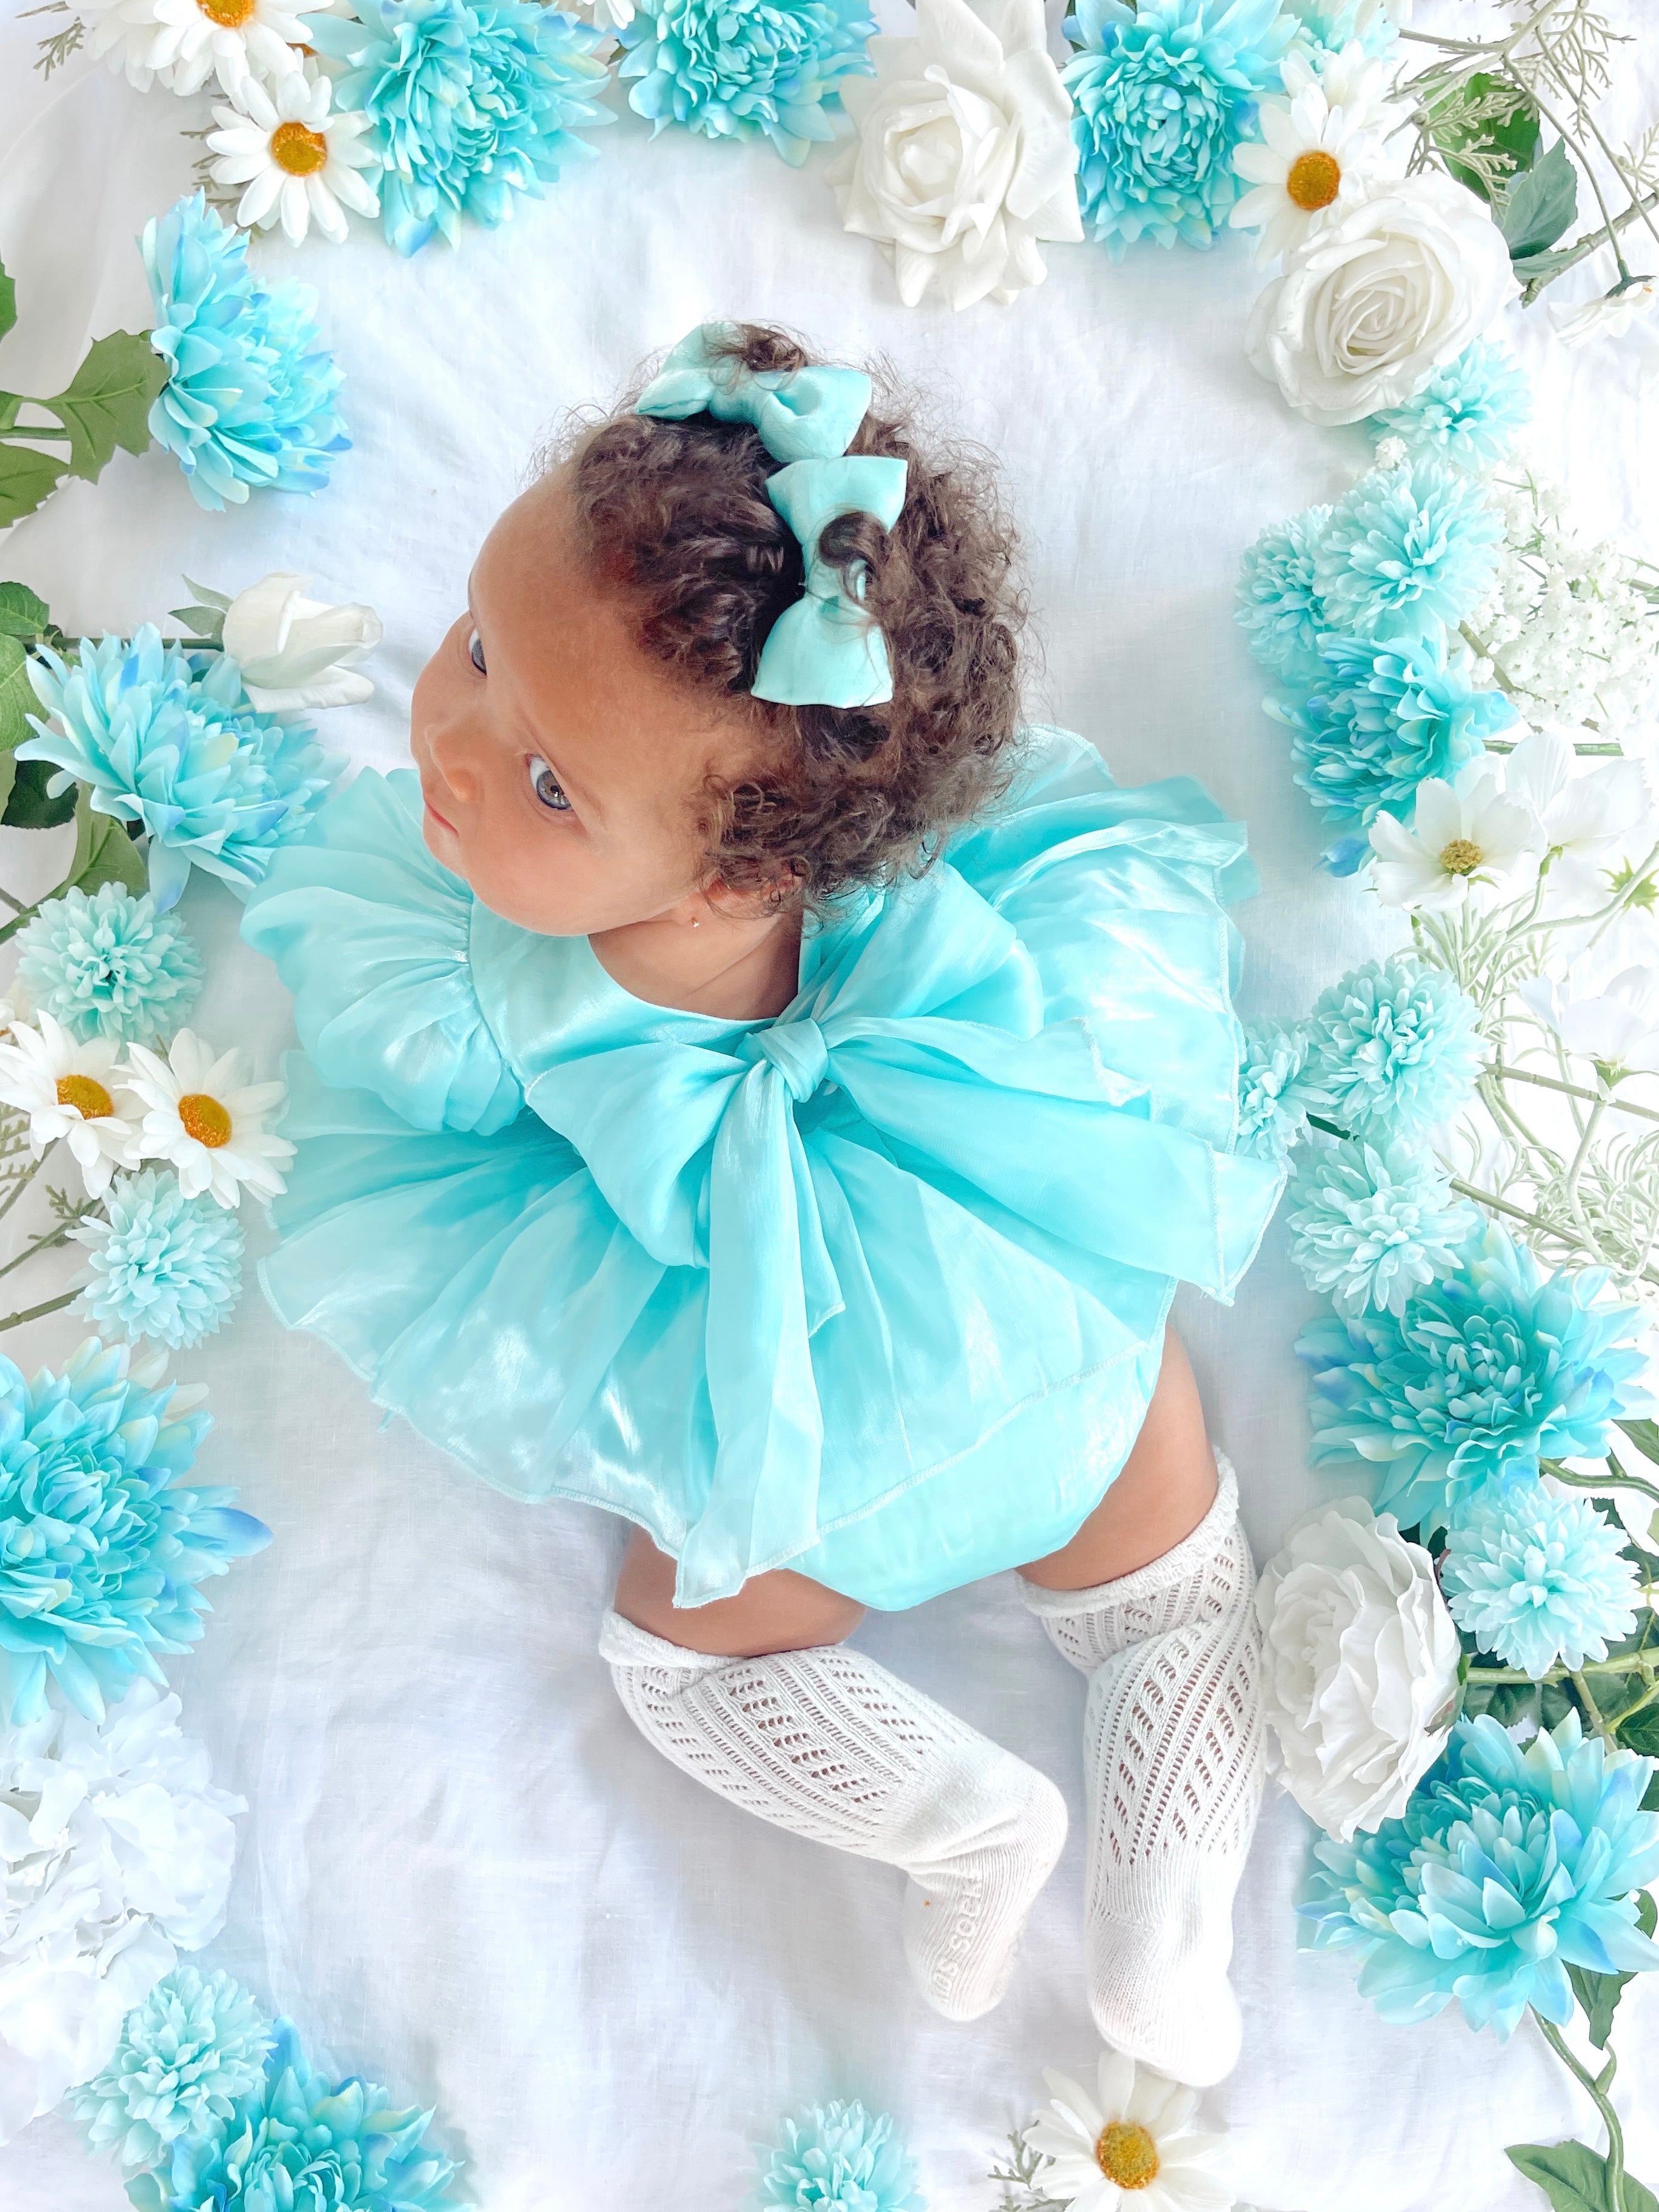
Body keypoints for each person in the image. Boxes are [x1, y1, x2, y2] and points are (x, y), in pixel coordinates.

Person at [241, 322, 1284, 2087]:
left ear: (729, 876)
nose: (455, 751)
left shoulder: (487, 975)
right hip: (1020, 1332)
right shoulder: (904, 845)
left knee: (687, 1660)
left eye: (551, 784)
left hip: (800, 1438)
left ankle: (960, 1820)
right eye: (480, 647)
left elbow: (432, 1102)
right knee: (1167, 1556)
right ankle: (1167, 1932)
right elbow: (1073, 1093)